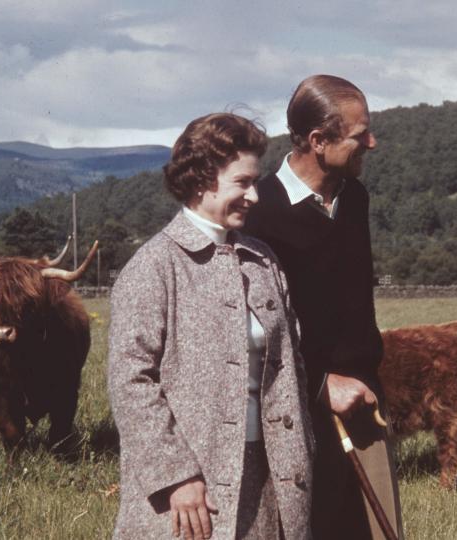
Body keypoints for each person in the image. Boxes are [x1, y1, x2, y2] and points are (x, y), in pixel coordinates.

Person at [108, 113, 314, 540]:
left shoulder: (264, 262)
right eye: (242, 182)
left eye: (254, 182)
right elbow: (130, 381)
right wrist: (176, 476)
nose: (254, 195)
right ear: (202, 178)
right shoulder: (153, 267)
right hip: (189, 494)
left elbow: (293, 365)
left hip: (270, 479)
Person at [244, 75, 403, 539]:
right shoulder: (259, 213)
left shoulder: (355, 198)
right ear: (318, 140)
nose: (371, 143)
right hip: (294, 408)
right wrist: (319, 383)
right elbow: (258, 328)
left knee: (374, 529)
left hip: (363, 402)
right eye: (359, 134)